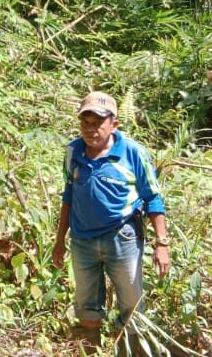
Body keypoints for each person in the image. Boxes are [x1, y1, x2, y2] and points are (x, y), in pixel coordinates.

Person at [52, 91, 170, 343]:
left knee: (131, 304)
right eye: (85, 122)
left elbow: (153, 197)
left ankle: (129, 347)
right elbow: (68, 196)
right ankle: (90, 346)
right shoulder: (73, 152)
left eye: (98, 122)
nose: (90, 129)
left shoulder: (133, 153)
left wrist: (162, 243)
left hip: (123, 237)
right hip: (82, 240)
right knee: (86, 303)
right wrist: (59, 240)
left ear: (114, 124)